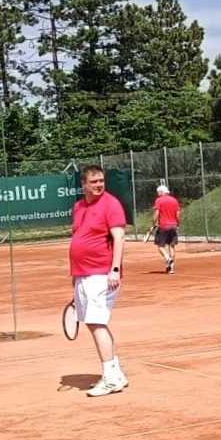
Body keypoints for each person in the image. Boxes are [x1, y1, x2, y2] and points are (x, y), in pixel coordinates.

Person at [70, 164, 129, 397]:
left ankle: (111, 377)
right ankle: (116, 373)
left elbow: (120, 237)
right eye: (93, 182)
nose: (98, 185)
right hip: (83, 274)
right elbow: (80, 237)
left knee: (96, 324)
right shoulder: (78, 206)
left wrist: (114, 269)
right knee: (95, 323)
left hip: (102, 274)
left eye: (101, 181)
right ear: (83, 184)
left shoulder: (111, 204)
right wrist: (75, 275)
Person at [153, 182, 182, 274]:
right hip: (173, 226)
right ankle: (171, 268)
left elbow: (156, 214)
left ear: (162, 191)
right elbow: (178, 214)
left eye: (158, 192)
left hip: (163, 226)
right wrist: (178, 224)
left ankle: (167, 258)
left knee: (160, 245)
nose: (157, 194)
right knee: (171, 246)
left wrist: (153, 224)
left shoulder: (159, 200)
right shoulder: (174, 200)